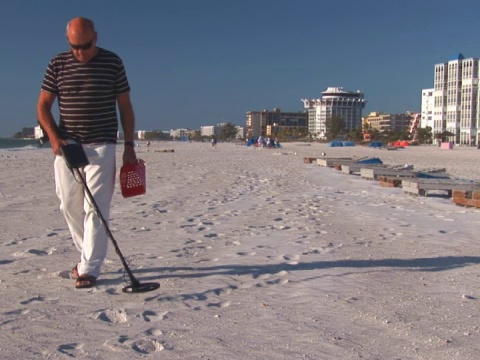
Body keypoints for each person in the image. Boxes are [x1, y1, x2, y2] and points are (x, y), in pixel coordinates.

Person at [37, 17, 137, 289]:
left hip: (102, 144)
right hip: (68, 145)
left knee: (95, 207)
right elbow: (43, 106)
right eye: (74, 47)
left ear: (96, 37)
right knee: (69, 206)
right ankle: (86, 259)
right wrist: (54, 138)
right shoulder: (57, 64)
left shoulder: (112, 62)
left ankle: (90, 269)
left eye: (84, 45)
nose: (79, 52)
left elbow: (125, 107)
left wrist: (129, 146)